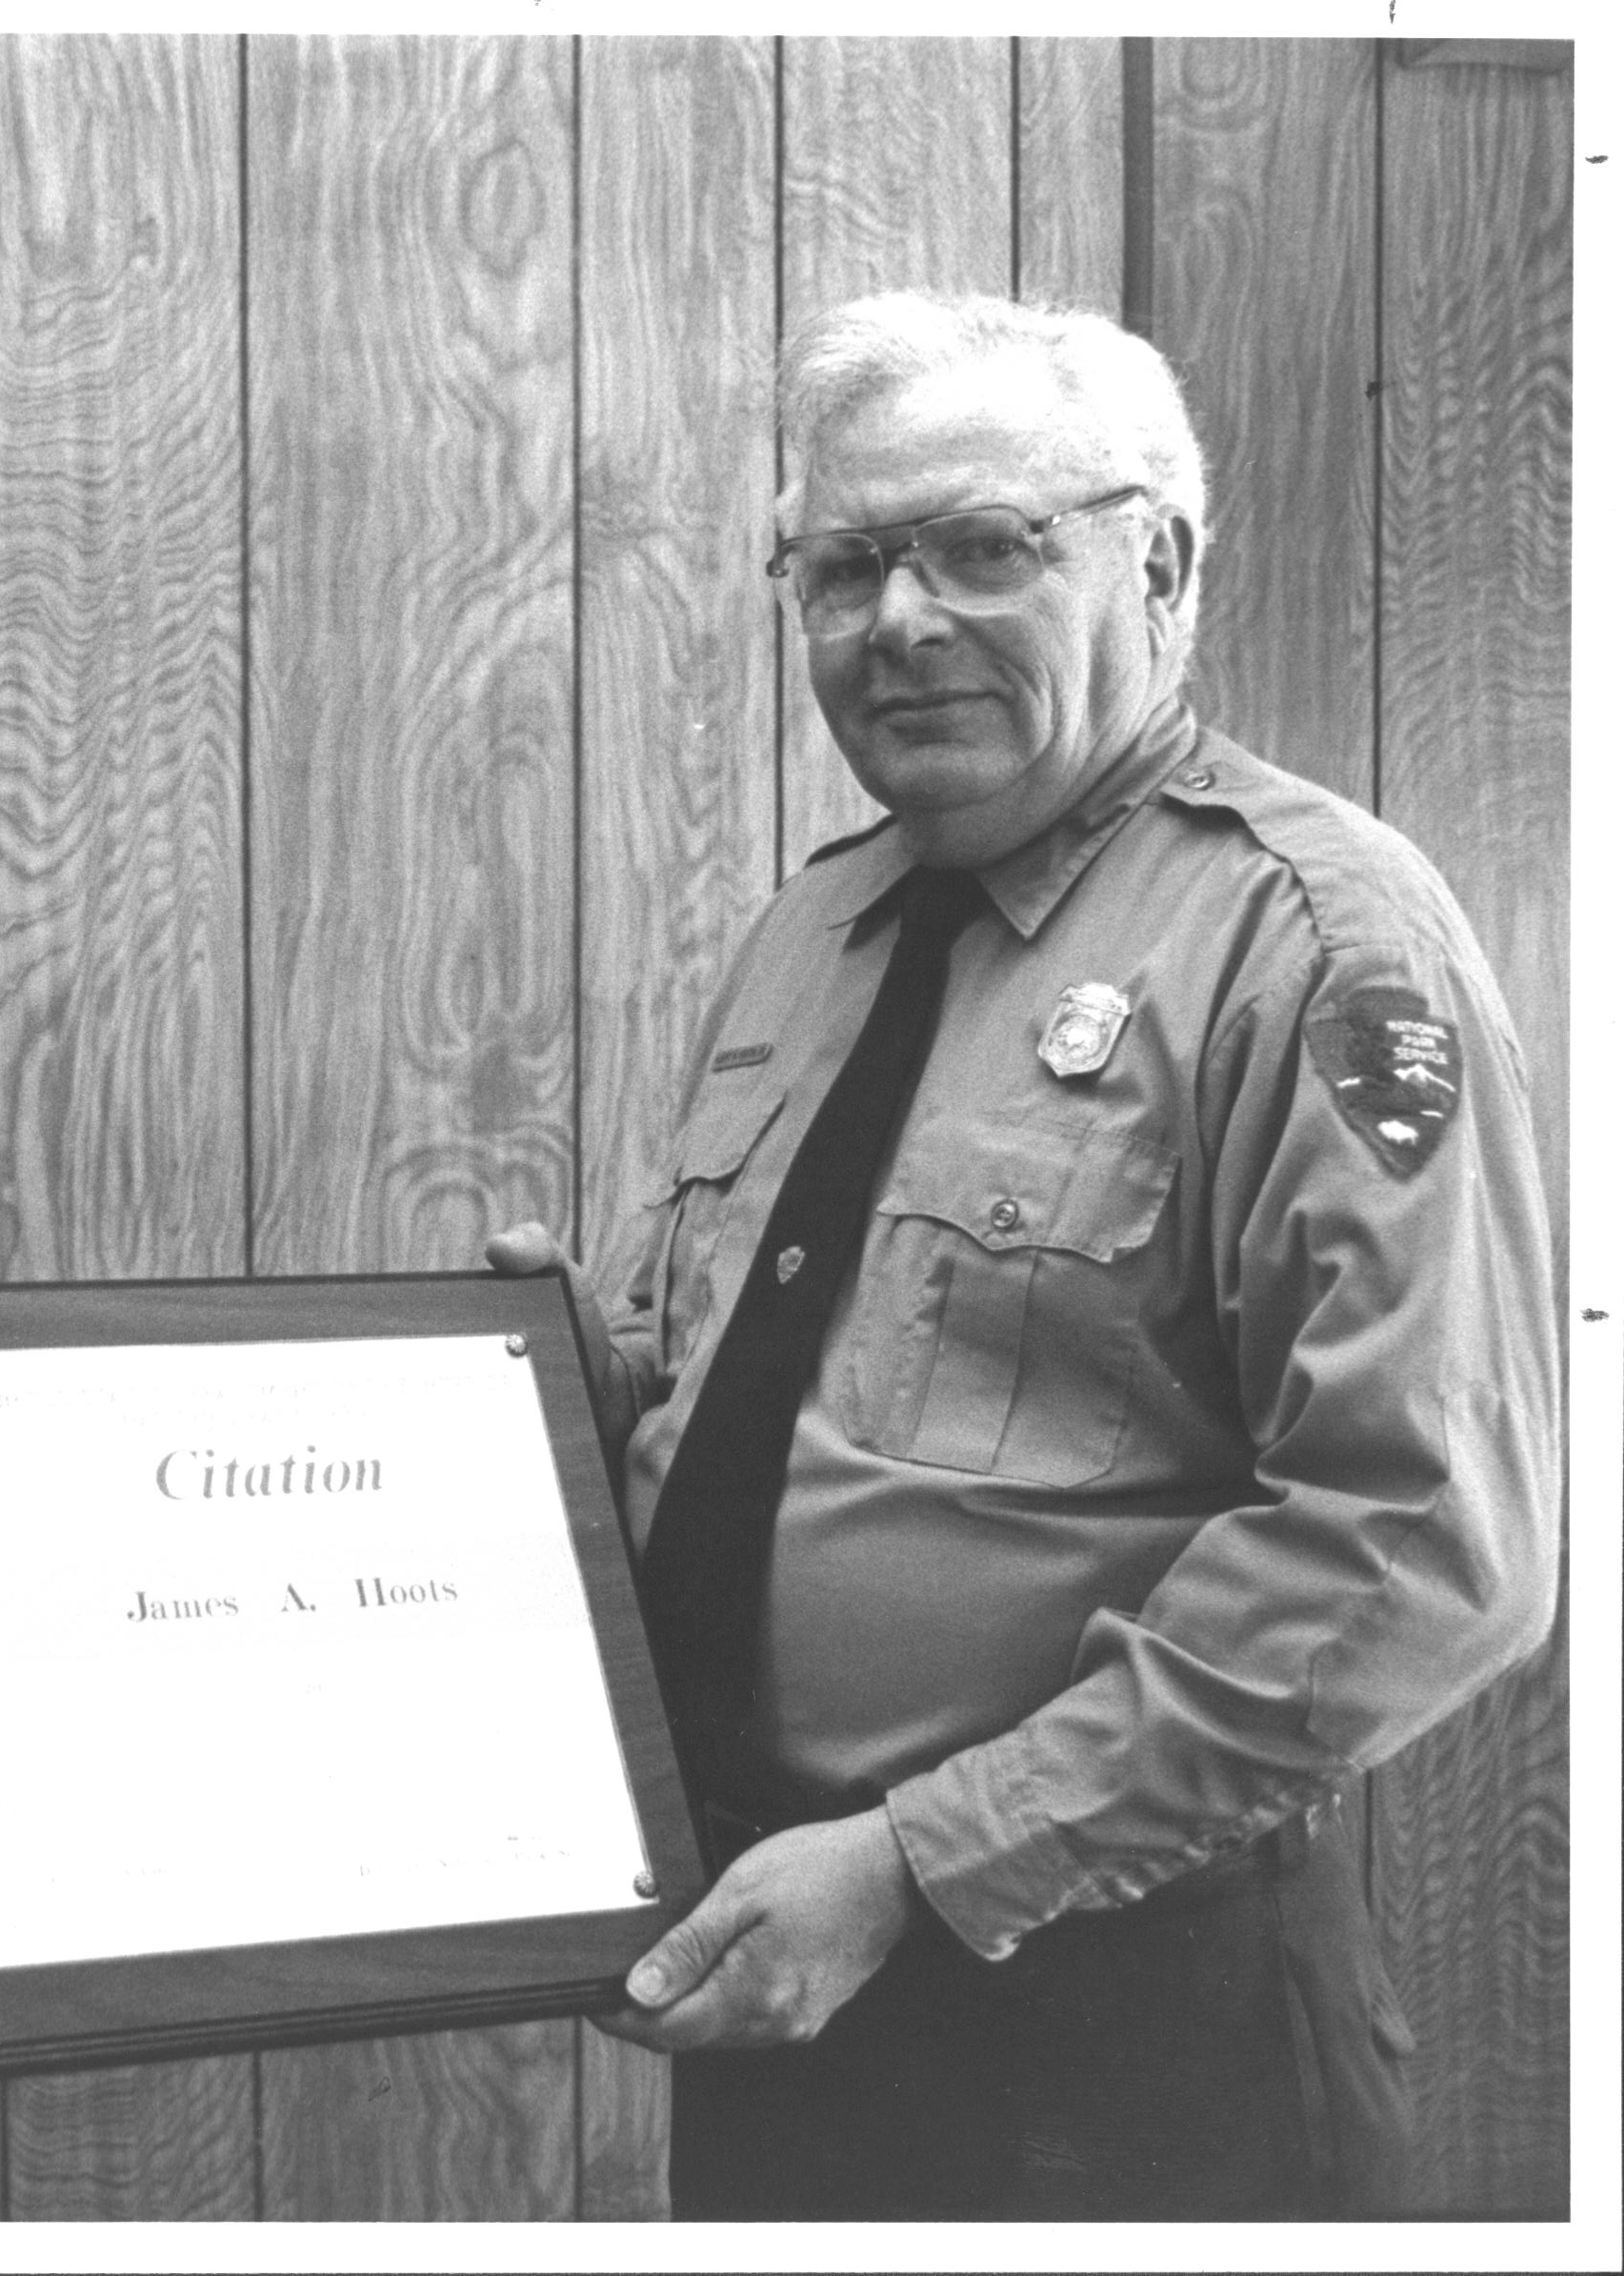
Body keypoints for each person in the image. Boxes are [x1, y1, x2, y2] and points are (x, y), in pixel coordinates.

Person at [493, 290, 1558, 2217]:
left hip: (1117, 2009)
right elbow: (772, 1395)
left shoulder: (1318, 945)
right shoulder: (809, 937)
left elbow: (1426, 1545)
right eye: (842, 566)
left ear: (1157, 561)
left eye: (985, 548)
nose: (899, 622)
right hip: (773, 1963)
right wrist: (571, 1393)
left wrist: (924, 1860)